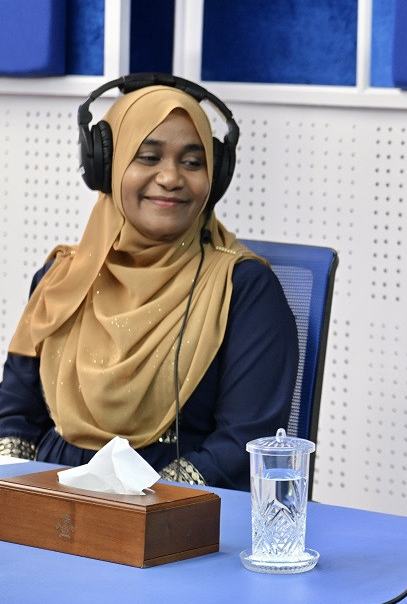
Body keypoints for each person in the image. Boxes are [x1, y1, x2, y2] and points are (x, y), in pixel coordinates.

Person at [0, 79, 299, 490]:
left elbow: (240, 444)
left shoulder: (245, 288)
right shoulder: (61, 277)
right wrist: (17, 492)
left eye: (193, 163)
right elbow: (16, 415)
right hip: (54, 496)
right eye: (148, 157)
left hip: (174, 509)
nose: (171, 177)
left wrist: (145, 502)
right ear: (107, 166)